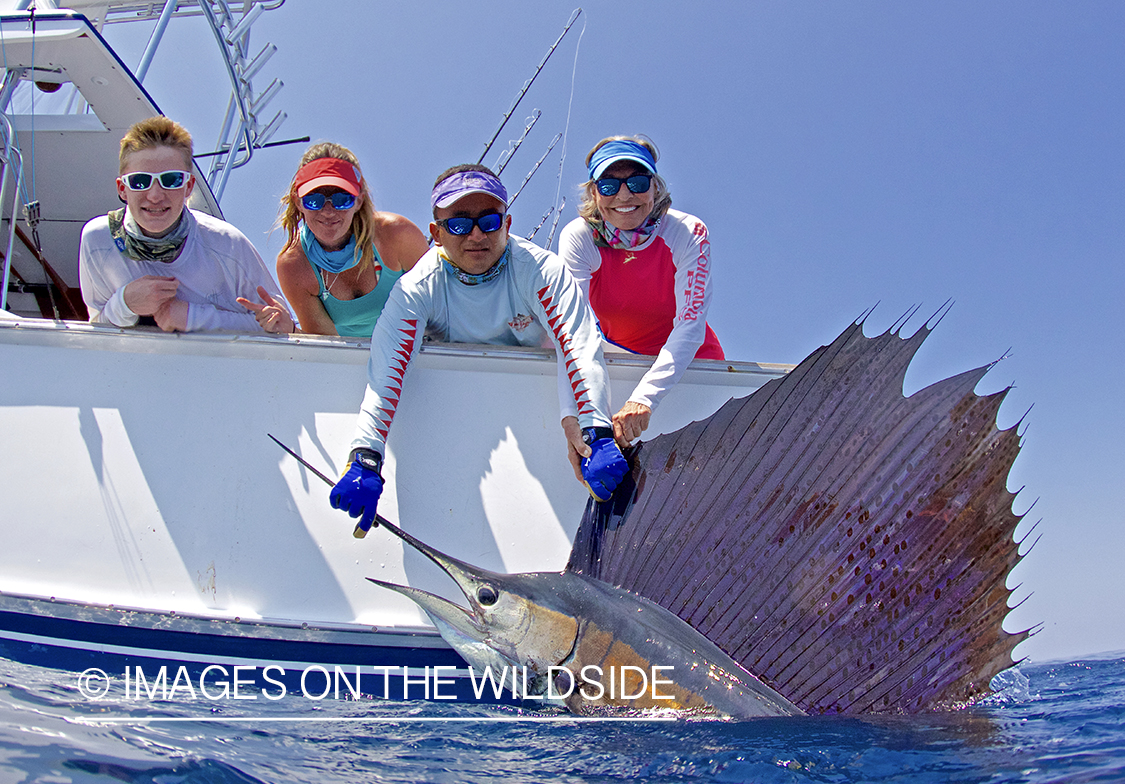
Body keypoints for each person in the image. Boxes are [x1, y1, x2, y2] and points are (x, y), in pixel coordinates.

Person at [329, 164, 628, 533]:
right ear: (436, 233)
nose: (476, 235)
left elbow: (579, 347)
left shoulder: (540, 269)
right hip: (453, 427)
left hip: (534, 417)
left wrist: (595, 431)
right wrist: (365, 455)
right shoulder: (415, 289)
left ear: (507, 223)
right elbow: (385, 373)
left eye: (489, 221)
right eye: (459, 223)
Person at [558, 136, 724, 448]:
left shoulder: (689, 232)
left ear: (655, 188)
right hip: (620, 366)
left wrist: (644, 398)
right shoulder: (579, 238)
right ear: (594, 193)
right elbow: (573, 332)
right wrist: (575, 416)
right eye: (608, 185)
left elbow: (690, 324)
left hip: (695, 365)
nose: (624, 195)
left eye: (637, 182)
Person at [79, 115, 293, 334]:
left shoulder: (228, 244)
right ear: (122, 189)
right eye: (140, 181)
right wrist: (125, 304)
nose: (155, 195)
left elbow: (280, 328)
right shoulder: (98, 240)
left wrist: (193, 317)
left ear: (189, 187)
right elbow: (97, 330)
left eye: (171, 180)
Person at [275, 143, 428, 336]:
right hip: (346, 356)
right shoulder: (293, 265)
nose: (328, 211)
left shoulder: (397, 234)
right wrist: (289, 330)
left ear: (359, 201)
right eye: (314, 200)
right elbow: (323, 345)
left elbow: (440, 310)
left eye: (342, 200)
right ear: (298, 202)